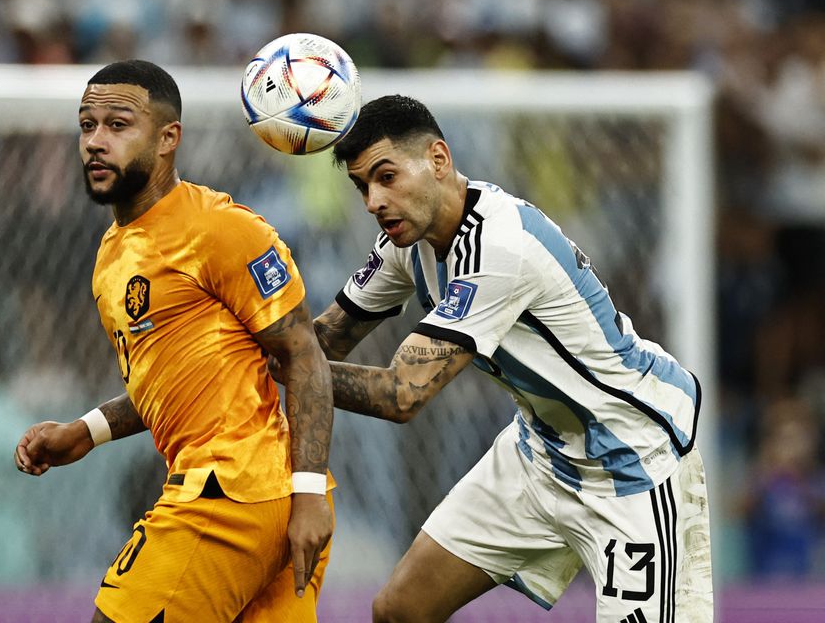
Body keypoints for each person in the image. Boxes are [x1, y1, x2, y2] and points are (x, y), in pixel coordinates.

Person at [274, 95, 713, 622]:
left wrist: (295, 366)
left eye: (386, 177)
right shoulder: (405, 242)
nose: (373, 200)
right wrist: (242, 333)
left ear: (438, 159)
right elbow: (322, 342)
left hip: (632, 461)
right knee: (401, 611)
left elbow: (402, 394)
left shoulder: (500, 249)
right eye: (362, 186)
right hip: (540, 454)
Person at [13, 59, 335, 623]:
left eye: (117, 125)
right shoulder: (112, 255)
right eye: (87, 125)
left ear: (168, 139)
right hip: (253, 496)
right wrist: (85, 431)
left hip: (228, 492)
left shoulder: (221, 228)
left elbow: (302, 352)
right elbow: (177, 381)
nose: (95, 141)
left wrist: (308, 493)